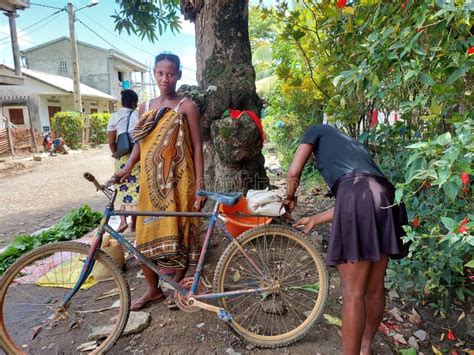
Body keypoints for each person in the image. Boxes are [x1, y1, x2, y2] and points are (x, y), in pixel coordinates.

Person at [283, 124, 408, 355]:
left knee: (353, 292)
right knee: (374, 287)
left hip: (358, 196)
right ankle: (365, 346)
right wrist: (315, 219)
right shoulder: (353, 147)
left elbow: (293, 173)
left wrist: (289, 197)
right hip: (387, 197)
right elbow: (361, 198)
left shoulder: (315, 130)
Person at [115, 53, 206, 311]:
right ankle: (154, 290)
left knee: (180, 233)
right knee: (143, 237)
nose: (165, 79)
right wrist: (128, 167)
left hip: (181, 182)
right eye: (160, 73)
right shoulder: (144, 108)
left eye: (171, 73)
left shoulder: (186, 106)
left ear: (178, 74)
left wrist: (199, 184)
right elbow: (140, 144)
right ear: (154, 73)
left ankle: (177, 286)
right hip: (151, 184)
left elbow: (198, 147)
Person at [108, 90, 140, 233]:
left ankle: (122, 221)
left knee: (121, 188)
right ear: (134, 103)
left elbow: (111, 142)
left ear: (122, 102)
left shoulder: (114, 117)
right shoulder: (137, 114)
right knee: (136, 190)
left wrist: (117, 153)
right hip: (137, 157)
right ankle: (134, 223)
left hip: (122, 158)